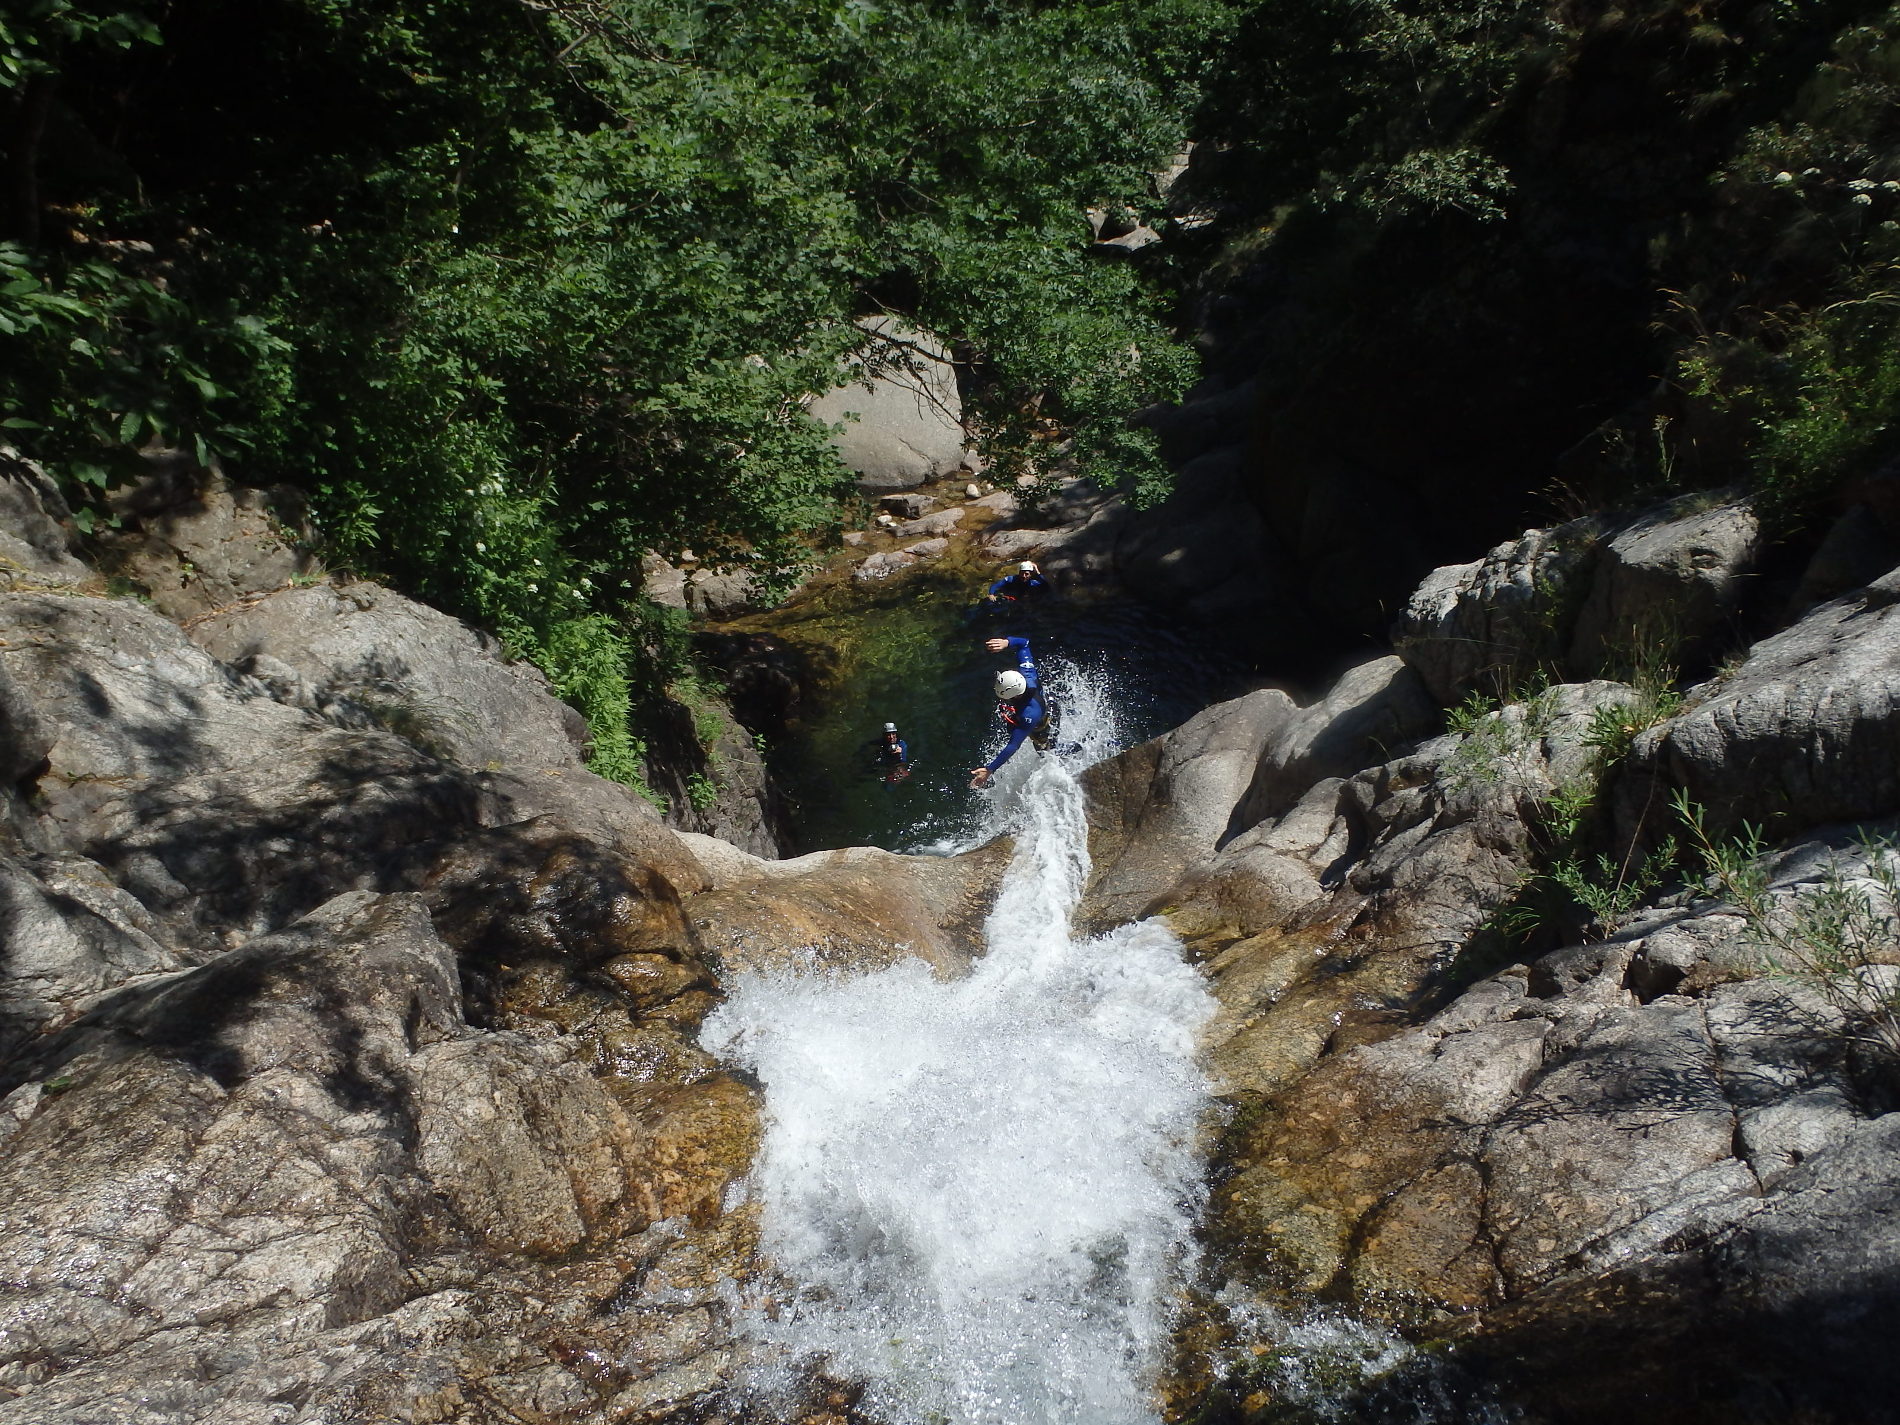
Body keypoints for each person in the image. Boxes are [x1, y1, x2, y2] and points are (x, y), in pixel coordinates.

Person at [968, 636, 1060, 788]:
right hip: (1049, 702)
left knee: (1047, 752)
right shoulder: (1027, 672)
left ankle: (1079, 749)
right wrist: (1007, 642)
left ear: (1015, 695)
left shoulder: (1028, 714)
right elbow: (1024, 643)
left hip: (1041, 720)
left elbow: (1013, 745)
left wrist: (989, 769)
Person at [984, 560, 1049, 604]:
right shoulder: (1011, 579)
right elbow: (996, 585)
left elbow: (1046, 584)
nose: (1023, 576)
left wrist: (1037, 571)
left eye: (1026, 574)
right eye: (1022, 573)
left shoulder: (1033, 583)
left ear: (1030, 575)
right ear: (1019, 572)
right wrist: (991, 594)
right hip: (1008, 596)